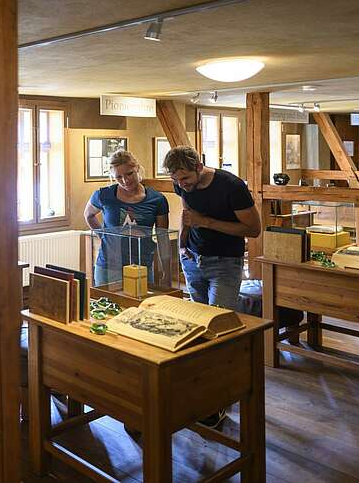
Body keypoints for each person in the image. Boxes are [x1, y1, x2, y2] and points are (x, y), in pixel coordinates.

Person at [164, 145, 261, 428]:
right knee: (197, 328)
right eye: (177, 181)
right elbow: (186, 215)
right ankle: (202, 390)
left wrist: (206, 222)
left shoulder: (231, 186)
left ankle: (220, 397)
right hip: (193, 261)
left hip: (225, 264)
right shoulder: (183, 186)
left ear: (198, 166)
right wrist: (182, 246)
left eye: (185, 179)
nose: (182, 185)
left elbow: (254, 229)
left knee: (220, 330)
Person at [84, 150, 169, 287]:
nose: (125, 180)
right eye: (119, 177)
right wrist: (103, 235)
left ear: (137, 168)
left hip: (142, 265)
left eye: (129, 174)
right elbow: (88, 215)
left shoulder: (157, 199)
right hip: (109, 265)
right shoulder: (103, 195)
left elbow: (162, 237)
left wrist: (166, 271)